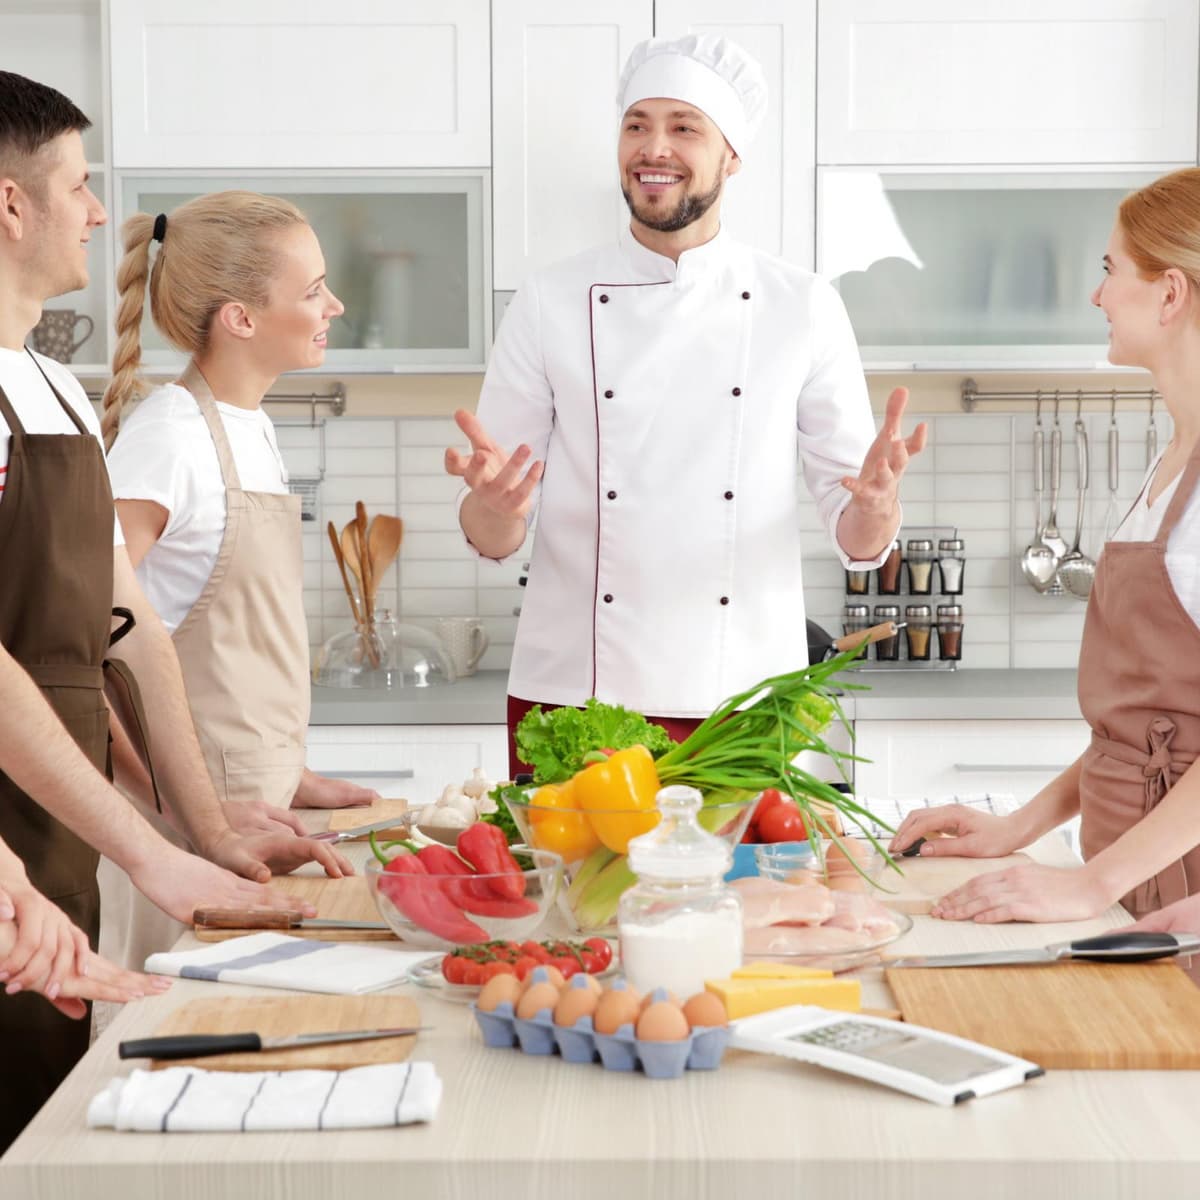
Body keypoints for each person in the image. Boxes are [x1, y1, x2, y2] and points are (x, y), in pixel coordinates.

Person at [0, 70, 344, 1149]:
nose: (101, 213)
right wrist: (153, 845)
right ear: (10, 206)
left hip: (62, 832)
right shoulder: (150, 425)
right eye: (79, 185)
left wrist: (209, 829)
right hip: (19, 832)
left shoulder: (52, 391)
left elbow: (133, 631)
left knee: (49, 1108)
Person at [445, 35, 925, 768]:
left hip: (741, 694)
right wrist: (494, 508)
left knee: (746, 856)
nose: (653, 147)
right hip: (575, 688)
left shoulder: (802, 305)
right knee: (567, 854)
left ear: (732, 155)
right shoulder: (548, 302)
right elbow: (495, 531)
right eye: (636, 124)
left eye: (684, 127)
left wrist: (878, 507)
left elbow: (859, 538)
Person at [889, 168, 1200, 953]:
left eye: (1111, 270)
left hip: (1181, 896)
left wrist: (1089, 885)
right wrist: (1019, 826)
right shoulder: (1172, 462)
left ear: (1170, 294)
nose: (1097, 296)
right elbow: (1134, 733)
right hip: (1132, 879)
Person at [98, 191, 378, 965]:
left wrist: (286, 772)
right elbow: (80, 649)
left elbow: (237, 647)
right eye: (313, 290)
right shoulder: (169, 439)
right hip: (184, 837)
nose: (335, 305)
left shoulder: (249, 427)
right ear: (241, 319)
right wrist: (190, 811)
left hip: (253, 815)